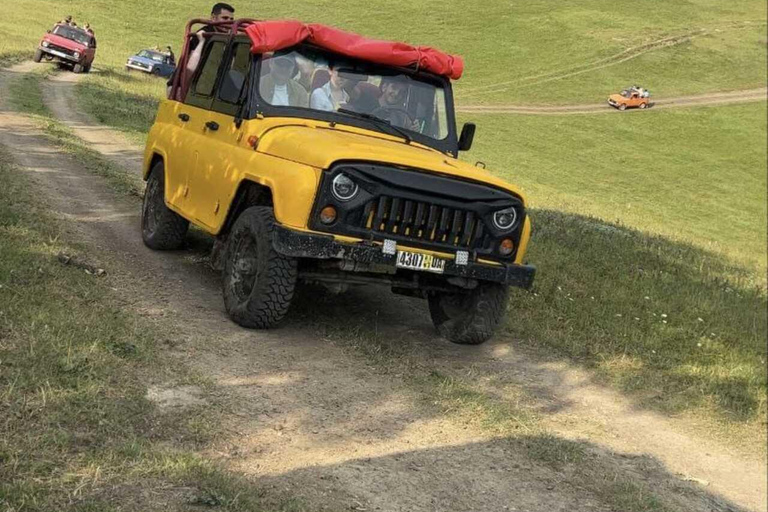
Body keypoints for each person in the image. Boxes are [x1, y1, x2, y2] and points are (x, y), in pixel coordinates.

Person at [167, 2, 235, 98]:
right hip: (182, 87)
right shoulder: (204, 34)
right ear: (213, 18)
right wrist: (183, 89)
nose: (228, 22)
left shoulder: (227, 37)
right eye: (224, 18)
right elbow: (189, 67)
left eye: (231, 19)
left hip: (202, 91)